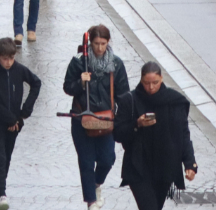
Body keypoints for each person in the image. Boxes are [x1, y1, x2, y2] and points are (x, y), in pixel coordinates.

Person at [114, 61, 198, 210]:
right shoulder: (130, 100)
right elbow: (117, 133)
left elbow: (183, 133)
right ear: (141, 80)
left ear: (162, 79)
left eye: (155, 82)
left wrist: (190, 163)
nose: (151, 87)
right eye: (147, 83)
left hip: (164, 167)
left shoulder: (174, 101)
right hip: (138, 166)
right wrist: (137, 124)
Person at [65, 24, 131, 209]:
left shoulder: (116, 64)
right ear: (90, 43)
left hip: (106, 120)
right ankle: (91, 201)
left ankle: (95, 184)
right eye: (96, 44)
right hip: (82, 119)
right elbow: (67, 87)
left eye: (103, 43)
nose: (100, 48)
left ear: (108, 42)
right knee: (86, 161)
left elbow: (123, 94)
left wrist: (124, 119)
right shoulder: (79, 61)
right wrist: (80, 83)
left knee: (107, 159)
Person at [0, 37, 42, 210]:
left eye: (11, 58)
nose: (8, 62)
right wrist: (10, 118)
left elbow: (36, 83)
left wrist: (24, 112)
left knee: (6, 157)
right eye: (5, 58)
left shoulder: (19, 70)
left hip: (14, 124)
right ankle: (2, 193)